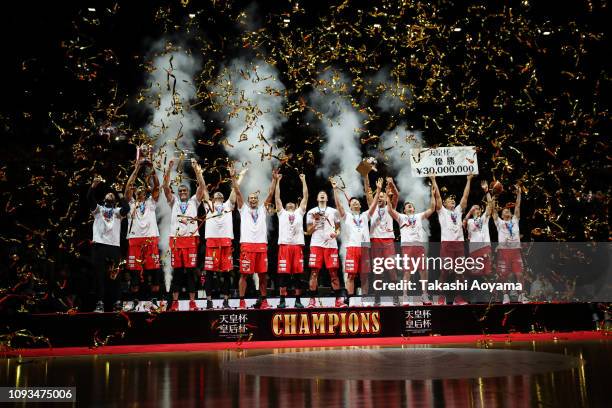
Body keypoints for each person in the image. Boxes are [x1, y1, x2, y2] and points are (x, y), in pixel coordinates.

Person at [163, 158, 206, 311]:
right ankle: (174, 303)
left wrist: (196, 169)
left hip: (190, 240)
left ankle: (192, 302)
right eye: (180, 191)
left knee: (191, 272)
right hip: (176, 240)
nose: (182, 193)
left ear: (188, 193)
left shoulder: (194, 201)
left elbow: (202, 186)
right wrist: (169, 169)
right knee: (178, 272)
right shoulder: (173, 201)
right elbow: (165, 188)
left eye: (185, 191)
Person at [332, 177, 381, 305]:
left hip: (364, 248)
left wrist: (379, 189)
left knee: (365, 276)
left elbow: (374, 205)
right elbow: (338, 205)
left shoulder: (365, 215)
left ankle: (366, 300)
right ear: (350, 206)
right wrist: (335, 190)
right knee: (351, 276)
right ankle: (351, 299)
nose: (355, 203)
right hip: (352, 248)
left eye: (357, 202)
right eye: (352, 202)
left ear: (360, 205)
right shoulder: (346, 216)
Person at [233, 167, 277, 309]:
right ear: (248, 201)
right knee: (244, 275)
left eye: (255, 198)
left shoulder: (263, 209)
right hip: (247, 246)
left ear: (258, 201)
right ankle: (241, 301)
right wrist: (233, 176)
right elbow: (237, 192)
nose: (252, 200)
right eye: (250, 198)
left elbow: (271, 193)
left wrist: (275, 179)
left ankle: (264, 301)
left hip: (261, 246)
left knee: (263, 275)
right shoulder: (243, 209)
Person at [388, 176, 436, 305]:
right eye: (407, 206)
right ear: (404, 210)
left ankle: (424, 295)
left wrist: (432, 194)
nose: (409, 207)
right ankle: (405, 296)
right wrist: (388, 195)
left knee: (423, 271)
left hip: (419, 246)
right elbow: (390, 210)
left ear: (413, 209)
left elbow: (432, 209)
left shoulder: (419, 216)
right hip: (407, 247)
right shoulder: (401, 217)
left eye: (411, 206)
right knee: (407, 272)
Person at [87, 175, 129, 312]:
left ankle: (117, 302)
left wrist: (120, 194)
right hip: (99, 245)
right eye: (108, 194)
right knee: (99, 276)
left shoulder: (118, 212)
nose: (110, 195)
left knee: (115, 276)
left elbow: (127, 208)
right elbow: (89, 198)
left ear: (115, 200)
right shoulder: (98, 209)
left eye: (112, 195)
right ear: (104, 198)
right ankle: (99, 303)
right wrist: (94, 185)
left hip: (114, 246)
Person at [124, 160, 162, 311]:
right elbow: (127, 188)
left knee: (152, 273)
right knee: (134, 275)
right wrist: (137, 168)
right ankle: (134, 301)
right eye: (138, 191)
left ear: (146, 193)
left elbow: (157, 187)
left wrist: (152, 169)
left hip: (151, 239)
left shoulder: (151, 204)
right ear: (135, 193)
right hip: (134, 240)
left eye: (143, 191)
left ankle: (153, 300)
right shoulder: (131, 204)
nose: (140, 192)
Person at [201, 168, 239, 309]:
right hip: (212, 242)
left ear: (223, 199)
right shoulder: (208, 205)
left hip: (226, 241)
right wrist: (199, 173)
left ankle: (226, 301)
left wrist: (233, 176)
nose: (218, 196)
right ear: (212, 198)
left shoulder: (228, 205)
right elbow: (203, 189)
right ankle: (209, 301)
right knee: (210, 273)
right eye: (215, 195)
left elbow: (235, 191)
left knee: (227, 273)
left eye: (220, 196)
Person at [434, 174, 473, 305]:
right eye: (449, 199)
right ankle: (441, 296)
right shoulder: (442, 211)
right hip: (447, 244)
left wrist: (468, 180)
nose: (452, 200)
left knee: (460, 273)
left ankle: (458, 297)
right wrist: (433, 179)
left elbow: (465, 196)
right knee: (444, 272)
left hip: (459, 245)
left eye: (453, 199)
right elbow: (438, 197)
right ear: (444, 203)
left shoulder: (458, 211)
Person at [306, 189, 345, 308]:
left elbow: (338, 228)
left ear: (327, 198)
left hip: (330, 244)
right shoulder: (311, 212)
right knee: (314, 273)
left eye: (324, 194)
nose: (322, 195)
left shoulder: (333, 211)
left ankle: (338, 300)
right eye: (320, 194)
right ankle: (312, 300)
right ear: (317, 198)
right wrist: (316, 222)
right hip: (316, 244)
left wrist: (336, 233)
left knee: (333, 273)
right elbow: (308, 232)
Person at [365, 176, 400, 305]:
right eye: (378, 196)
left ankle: (396, 298)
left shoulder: (390, 209)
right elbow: (367, 191)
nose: (379, 198)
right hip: (375, 241)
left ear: (386, 198)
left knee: (392, 271)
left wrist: (392, 183)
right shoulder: (372, 208)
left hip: (388, 242)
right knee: (377, 272)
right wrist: (366, 175)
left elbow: (396, 194)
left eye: (382, 196)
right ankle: (377, 298)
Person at [275, 173, 308, 308]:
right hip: (284, 247)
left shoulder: (300, 212)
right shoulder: (281, 212)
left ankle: (297, 300)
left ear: (295, 205)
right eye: (287, 202)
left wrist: (303, 180)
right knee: (284, 275)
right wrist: (277, 181)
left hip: (297, 246)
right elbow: (277, 197)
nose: (289, 204)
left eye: (291, 203)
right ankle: (282, 300)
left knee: (298, 275)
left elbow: (306, 196)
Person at [493, 184, 529, 304]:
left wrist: (519, 193)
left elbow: (517, 206)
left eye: (509, 210)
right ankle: (505, 296)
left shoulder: (515, 220)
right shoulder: (499, 222)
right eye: (505, 210)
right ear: (502, 215)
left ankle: (522, 295)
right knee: (504, 276)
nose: (508, 211)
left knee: (519, 274)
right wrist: (491, 196)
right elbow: (493, 211)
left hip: (516, 252)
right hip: (504, 252)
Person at [463, 181, 494, 284]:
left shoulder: (484, 219)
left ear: (480, 211)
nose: (476, 209)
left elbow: (490, 206)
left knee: (488, 272)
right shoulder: (470, 221)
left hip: (485, 247)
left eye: (478, 208)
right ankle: (476, 297)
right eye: (474, 208)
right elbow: (463, 223)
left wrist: (487, 192)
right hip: (474, 249)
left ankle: (491, 295)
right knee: (476, 274)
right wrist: (469, 212)